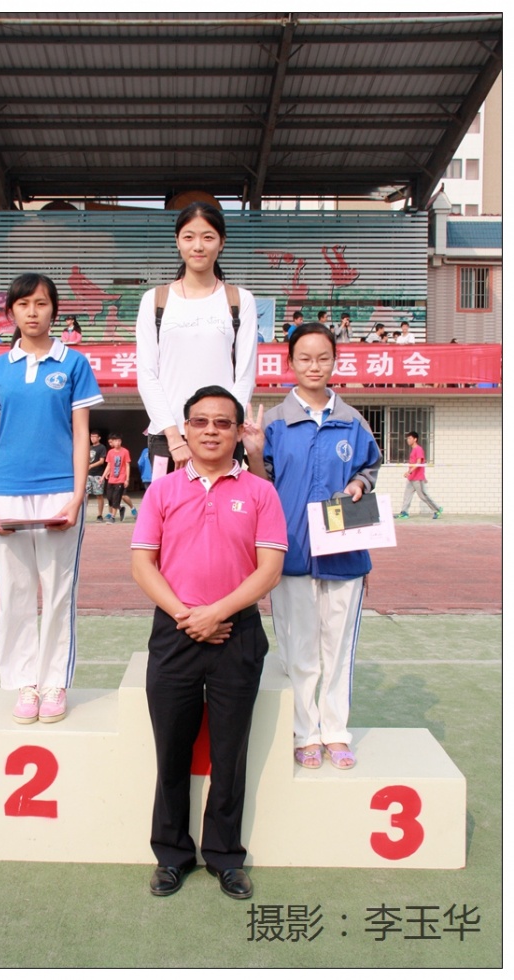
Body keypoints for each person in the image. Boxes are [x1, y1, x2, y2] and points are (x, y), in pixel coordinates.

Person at [131, 385, 287, 899]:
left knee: (230, 752)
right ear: (186, 430)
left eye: (223, 422)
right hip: (174, 633)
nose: (211, 431)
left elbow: (270, 570)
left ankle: (224, 856)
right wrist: (187, 616)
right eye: (200, 422)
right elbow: (142, 565)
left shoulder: (261, 493)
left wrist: (217, 613)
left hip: (237, 634)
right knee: (171, 750)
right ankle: (171, 854)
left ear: (239, 431)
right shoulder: (162, 491)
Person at [243, 323, 381, 772]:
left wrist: (359, 485)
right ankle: (305, 733)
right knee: (299, 650)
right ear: (290, 363)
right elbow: (262, 489)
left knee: (338, 650)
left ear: (335, 361)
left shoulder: (353, 420)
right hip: (292, 553)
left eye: (323, 357)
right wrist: (254, 453)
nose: (314, 366)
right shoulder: (273, 422)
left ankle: (336, 731)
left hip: (345, 552)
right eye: (305, 358)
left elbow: (368, 470)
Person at [0, 273, 103, 724]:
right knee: (15, 592)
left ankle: (54, 684)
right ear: (11, 311)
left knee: (59, 591)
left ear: (54, 311)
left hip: (59, 492)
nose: (32, 311)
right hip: (6, 494)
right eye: (24, 304)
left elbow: (82, 434)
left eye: (41, 303)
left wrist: (77, 496)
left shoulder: (74, 364)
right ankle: (25, 683)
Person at [136, 201, 258, 473]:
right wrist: (173, 437)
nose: (198, 246)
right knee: (166, 503)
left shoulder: (240, 300)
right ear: (177, 242)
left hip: (221, 436)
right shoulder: (155, 300)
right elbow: (147, 375)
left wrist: (226, 429)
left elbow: (245, 376)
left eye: (208, 237)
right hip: (167, 439)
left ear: (222, 242)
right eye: (189, 237)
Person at [395, 431, 443, 520]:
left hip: (417, 478)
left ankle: (437, 509)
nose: (408, 440)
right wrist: (409, 473)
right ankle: (404, 513)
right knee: (407, 496)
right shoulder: (413, 450)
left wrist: (409, 472)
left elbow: (418, 463)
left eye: (410, 438)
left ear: (415, 439)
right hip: (411, 478)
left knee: (423, 496)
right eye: (407, 438)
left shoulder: (418, 449)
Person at [102, 433, 137, 522]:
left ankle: (113, 516)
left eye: (118, 441)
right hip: (111, 479)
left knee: (119, 497)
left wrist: (127, 479)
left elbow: (127, 465)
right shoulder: (110, 452)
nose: (116, 443)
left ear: (121, 441)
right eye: (114, 441)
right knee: (110, 497)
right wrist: (103, 476)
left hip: (121, 479)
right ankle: (120, 508)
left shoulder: (125, 452)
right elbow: (109, 464)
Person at [86, 429, 107, 522]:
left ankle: (99, 515)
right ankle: (83, 513)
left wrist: (91, 466)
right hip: (88, 474)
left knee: (99, 495)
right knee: (86, 494)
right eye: (91, 436)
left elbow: (102, 461)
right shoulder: (89, 447)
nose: (92, 438)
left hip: (98, 474)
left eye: (95, 437)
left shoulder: (102, 447)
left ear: (99, 438)